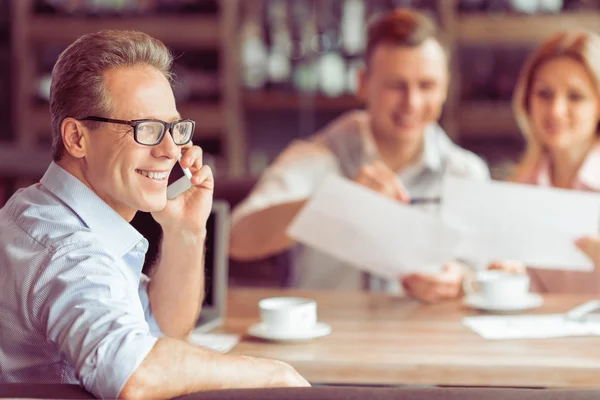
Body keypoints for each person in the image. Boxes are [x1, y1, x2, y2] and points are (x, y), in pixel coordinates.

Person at [0, 30, 309, 400]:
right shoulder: (66, 250)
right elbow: (132, 371)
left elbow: (163, 330)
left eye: (174, 128)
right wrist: (272, 374)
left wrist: (186, 231)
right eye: (145, 129)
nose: (170, 151)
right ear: (77, 138)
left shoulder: (43, 211)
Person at [229, 8, 490, 303]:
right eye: (396, 85)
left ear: (445, 88)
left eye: (427, 85)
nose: (412, 103)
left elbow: (484, 272)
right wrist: (337, 201)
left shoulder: (466, 172)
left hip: (427, 341)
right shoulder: (315, 158)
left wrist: (460, 281)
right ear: (363, 83)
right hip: (327, 338)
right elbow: (237, 239)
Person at [488, 30, 600, 293]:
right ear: (527, 101)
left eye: (575, 96)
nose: (556, 111)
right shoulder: (518, 191)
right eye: (544, 94)